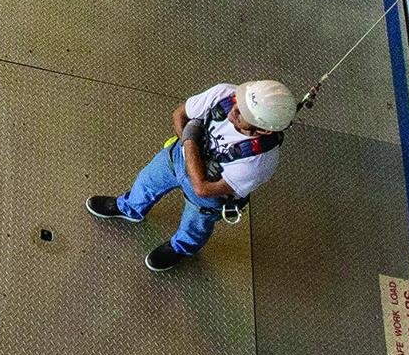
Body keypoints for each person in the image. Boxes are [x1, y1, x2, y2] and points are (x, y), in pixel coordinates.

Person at [91, 78, 296, 274]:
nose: (234, 110)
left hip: (209, 193)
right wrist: (186, 143)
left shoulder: (259, 163)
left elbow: (203, 189)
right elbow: (179, 114)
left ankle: (181, 248)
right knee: (146, 182)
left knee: (195, 225)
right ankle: (130, 208)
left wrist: (189, 139)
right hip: (177, 159)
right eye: (239, 102)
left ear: (263, 130)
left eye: (243, 115)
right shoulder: (224, 94)